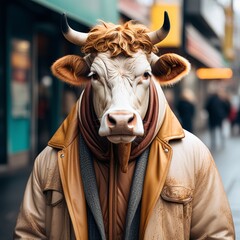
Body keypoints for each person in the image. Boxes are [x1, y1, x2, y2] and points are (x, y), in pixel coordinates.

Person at [14, 13, 235, 239]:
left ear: (159, 75)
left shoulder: (194, 156)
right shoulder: (50, 161)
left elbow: (215, 234)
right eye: (97, 76)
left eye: (143, 75)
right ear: (80, 76)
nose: (121, 108)